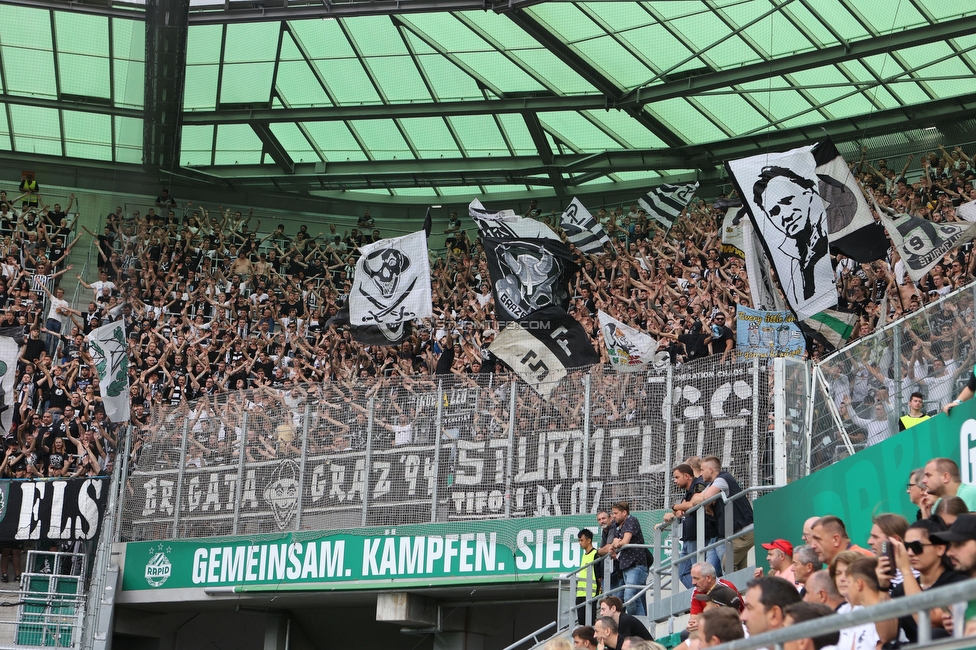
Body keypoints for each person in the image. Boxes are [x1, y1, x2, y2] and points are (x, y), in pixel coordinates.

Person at [751, 166, 829, 304]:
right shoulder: (790, 259)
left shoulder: (834, 231)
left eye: (787, 201)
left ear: (808, 193)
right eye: (774, 212)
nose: (785, 216)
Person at [883, 519, 966, 643]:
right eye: (907, 547)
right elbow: (887, 635)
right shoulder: (901, 589)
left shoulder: (956, 581)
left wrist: (906, 571)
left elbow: (928, 621)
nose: (910, 553)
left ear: (940, 549)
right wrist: (882, 587)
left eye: (917, 547)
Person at [692, 456, 754, 571]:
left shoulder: (722, 478)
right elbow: (694, 500)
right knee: (739, 568)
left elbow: (706, 497)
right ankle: (742, 589)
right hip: (737, 533)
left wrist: (706, 501)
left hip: (744, 532)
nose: (700, 474)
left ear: (710, 470)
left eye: (702, 470)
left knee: (728, 565)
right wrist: (706, 502)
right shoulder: (713, 483)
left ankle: (734, 589)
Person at [660, 463, 717, 588]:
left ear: (687, 476)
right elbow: (685, 505)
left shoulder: (698, 484)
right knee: (683, 572)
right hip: (688, 538)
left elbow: (694, 503)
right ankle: (700, 596)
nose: (675, 481)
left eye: (676, 477)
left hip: (699, 536)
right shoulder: (688, 491)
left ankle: (705, 596)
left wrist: (675, 507)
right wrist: (677, 510)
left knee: (699, 573)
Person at [609, 501, 649, 616]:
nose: (613, 516)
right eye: (613, 513)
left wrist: (616, 543)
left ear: (624, 512)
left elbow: (625, 542)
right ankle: (641, 623)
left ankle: (633, 621)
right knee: (634, 599)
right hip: (626, 567)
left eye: (616, 513)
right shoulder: (617, 527)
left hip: (636, 565)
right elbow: (613, 544)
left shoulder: (631, 520)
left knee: (629, 597)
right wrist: (614, 545)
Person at [687, 562, 742, 634]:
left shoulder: (726, 589)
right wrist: (692, 625)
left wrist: (702, 624)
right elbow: (693, 621)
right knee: (687, 633)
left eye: (696, 578)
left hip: (732, 628)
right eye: (692, 578)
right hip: (711, 627)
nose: (693, 582)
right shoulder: (696, 592)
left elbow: (734, 618)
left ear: (708, 578)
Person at [808, 515, 873, 566]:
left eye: (818, 539)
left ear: (836, 540)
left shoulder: (861, 559)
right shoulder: (833, 566)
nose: (812, 546)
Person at [577, 529, 601, 625]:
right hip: (580, 594)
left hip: (591, 593)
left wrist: (599, 591)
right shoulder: (584, 556)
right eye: (579, 540)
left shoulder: (595, 554)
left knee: (590, 622)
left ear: (589, 540)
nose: (580, 543)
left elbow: (599, 575)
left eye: (581, 540)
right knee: (582, 623)